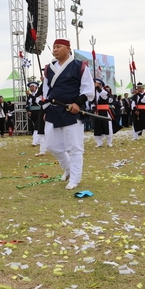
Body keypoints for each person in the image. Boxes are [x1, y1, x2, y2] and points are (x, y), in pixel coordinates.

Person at [42, 38, 95, 190]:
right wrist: (45, 109)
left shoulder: (79, 66)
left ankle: (75, 178)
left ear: (68, 48)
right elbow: (46, 92)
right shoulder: (48, 68)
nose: (55, 49)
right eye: (54, 47)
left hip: (71, 111)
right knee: (52, 146)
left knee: (75, 147)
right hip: (53, 109)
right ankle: (69, 169)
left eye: (58, 47)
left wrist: (77, 103)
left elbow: (88, 89)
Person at [92, 79, 118, 148]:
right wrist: (94, 110)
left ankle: (109, 142)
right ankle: (99, 142)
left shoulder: (105, 91)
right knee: (97, 127)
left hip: (105, 111)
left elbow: (104, 97)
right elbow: (92, 102)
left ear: (100, 84)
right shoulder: (93, 93)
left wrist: (98, 88)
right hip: (97, 112)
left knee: (107, 126)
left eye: (96, 83)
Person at [25, 80, 46, 155]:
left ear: (36, 87)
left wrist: (30, 95)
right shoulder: (29, 96)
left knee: (38, 126)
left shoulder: (38, 93)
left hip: (39, 111)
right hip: (32, 112)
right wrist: (28, 110)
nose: (31, 88)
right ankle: (38, 140)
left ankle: (35, 141)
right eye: (30, 87)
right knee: (34, 126)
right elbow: (27, 104)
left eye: (32, 86)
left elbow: (36, 99)